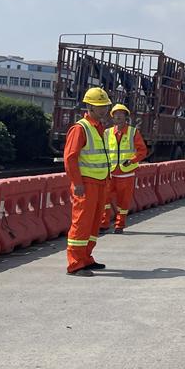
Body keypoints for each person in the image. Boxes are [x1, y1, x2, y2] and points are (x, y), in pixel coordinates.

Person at [63, 87, 112, 276]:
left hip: (99, 183)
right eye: (100, 107)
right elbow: (70, 158)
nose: (104, 110)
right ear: (89, 106)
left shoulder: (99, 129)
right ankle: (75, 263)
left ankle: (86, 258)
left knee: (93, 224)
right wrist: (78, 184)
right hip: (86, 184)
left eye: (105, 106)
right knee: (81, 223)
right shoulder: (80, 128)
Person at [100, 103, 148, 234]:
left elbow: (142, 151)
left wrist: (132, 160)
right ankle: (104, 224)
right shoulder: (107, 132)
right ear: (112, 117)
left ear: (126, 117)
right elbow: (102, 151)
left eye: (121, 114)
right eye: (116, 114)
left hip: (126, 174)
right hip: (110, 173)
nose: (118, 116)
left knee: (123, 202)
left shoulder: (133, 132)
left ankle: (119, 225)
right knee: (105, 200)